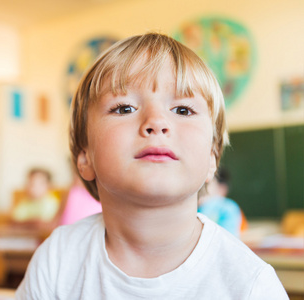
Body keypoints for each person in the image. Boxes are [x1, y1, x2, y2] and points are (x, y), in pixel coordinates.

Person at [15, 33, 287, 299]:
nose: (156, 121)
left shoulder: (251, 285)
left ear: (212, 160)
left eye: (183, 110)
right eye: (123, 108)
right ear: (85, 158)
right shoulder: (57, 259)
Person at [198, 167, 244, 237]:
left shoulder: (227, 207)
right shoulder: (192, 207)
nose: (201, 187)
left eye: (206, 183)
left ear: (221, 188)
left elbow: (227, 238)